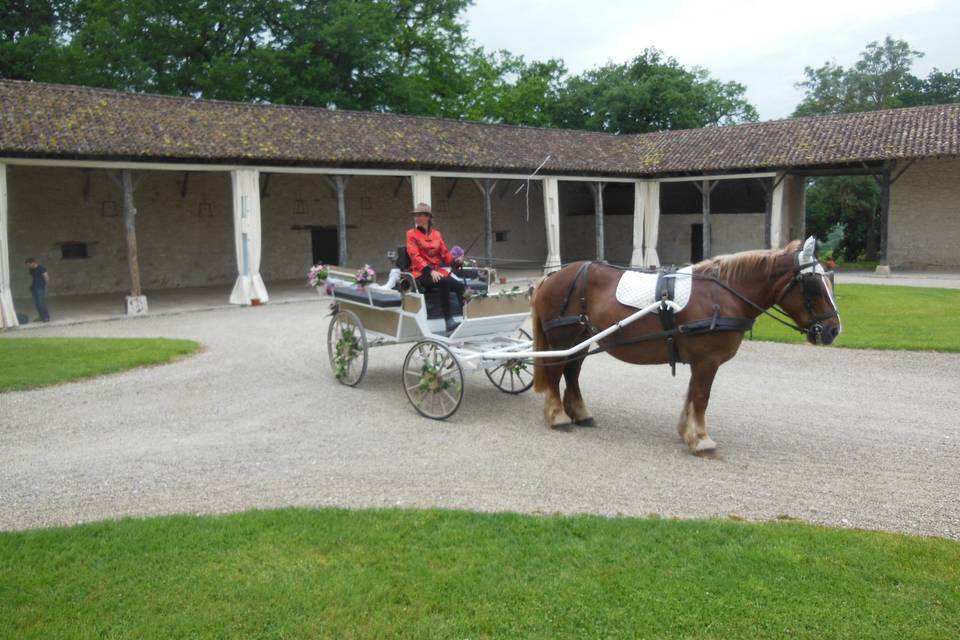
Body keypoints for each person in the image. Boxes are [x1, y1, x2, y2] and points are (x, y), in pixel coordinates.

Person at [405, 202, 465, 331]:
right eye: (415, 215)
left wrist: (456, 261)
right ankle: (448, 321)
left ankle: (464, 318)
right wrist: (429, 270)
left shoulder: (437, 234)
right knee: (444, 281)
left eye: (420, 215)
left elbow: (445, 254)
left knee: (460, 286)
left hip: (437, 272)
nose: (417, 218)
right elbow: (414, 256)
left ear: (428, 217)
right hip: (421, 273)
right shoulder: (411, 234)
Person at [25, 258, 51, 322]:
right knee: (37, 303)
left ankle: (46, 317)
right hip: (34, 287)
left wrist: (45, 286)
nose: (28, 266)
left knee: (41, 302)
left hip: (40, 287)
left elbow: (46, 277)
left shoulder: (41, 268)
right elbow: (34, 278)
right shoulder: (31, 270)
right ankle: (41, 316)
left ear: (33, 262)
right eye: (27, 265)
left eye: (29, 264)